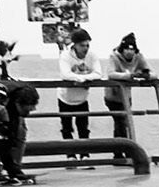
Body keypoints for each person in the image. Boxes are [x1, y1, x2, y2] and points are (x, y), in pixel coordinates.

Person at [104, 32, 151, 162]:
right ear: (122, 49)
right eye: (127, 49)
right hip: (112, 95)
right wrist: (128, 76)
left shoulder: (138, 57)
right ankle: (123, 153)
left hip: (126, 96)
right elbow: (111, 73)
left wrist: (145, 75)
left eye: (132, 49)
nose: (130, 52)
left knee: (124, 123)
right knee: (121, 122)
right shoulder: (114, 57)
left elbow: (151, 72)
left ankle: (120, 153)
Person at [57, 28, 103, 157]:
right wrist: (80, 78)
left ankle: (85, 154)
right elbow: (65, 74)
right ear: (75, 45)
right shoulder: (65, 55)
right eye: (82, 45)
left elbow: (98, 73)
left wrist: (84, 79)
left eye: (87, 45)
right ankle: (70, 155)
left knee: (83, 128)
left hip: (82, 98)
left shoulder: (92, 55)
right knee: (66, 128)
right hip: (65, 98)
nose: (86, 48)